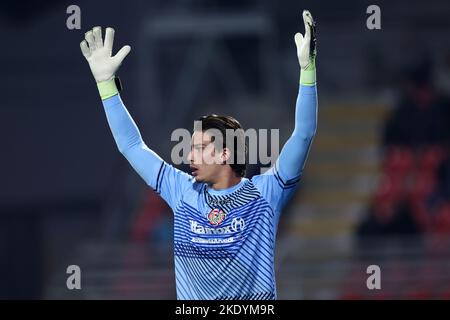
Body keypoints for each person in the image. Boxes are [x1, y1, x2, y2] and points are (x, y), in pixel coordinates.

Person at [80, 10, 318, 300]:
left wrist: (307, 72)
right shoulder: (180, 191)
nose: (190, 155)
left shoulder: (266, 193)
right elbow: (132, 146)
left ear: (225, 154)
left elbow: (303, 134)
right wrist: (107, 87)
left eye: (201, 148)